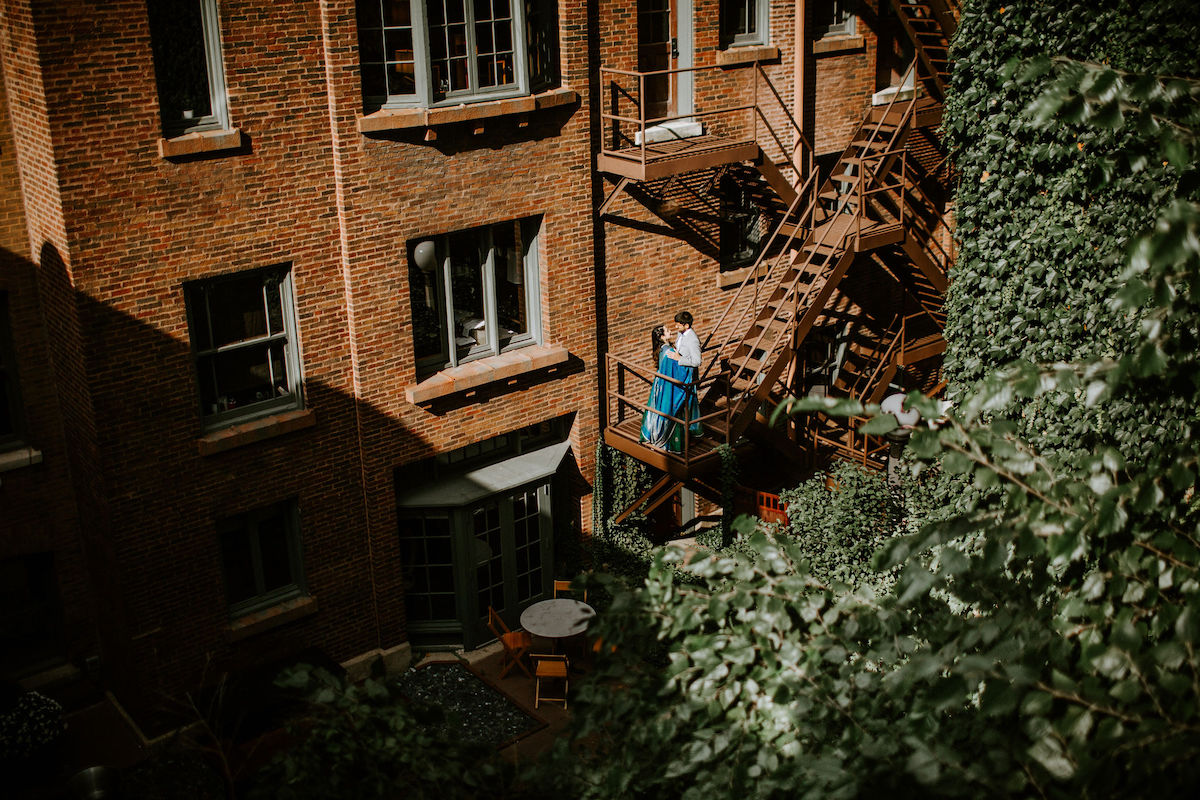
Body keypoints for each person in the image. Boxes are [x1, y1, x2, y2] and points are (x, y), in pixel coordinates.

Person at [639, 320, 703, 453]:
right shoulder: (668, 352)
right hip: (671, 387)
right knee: (674, 412)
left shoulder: (662, 349)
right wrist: (688, 361)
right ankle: (673, 444)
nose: (670, 331)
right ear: (662, 337)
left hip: (662, 385)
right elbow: (679, 371)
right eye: (667, 331)